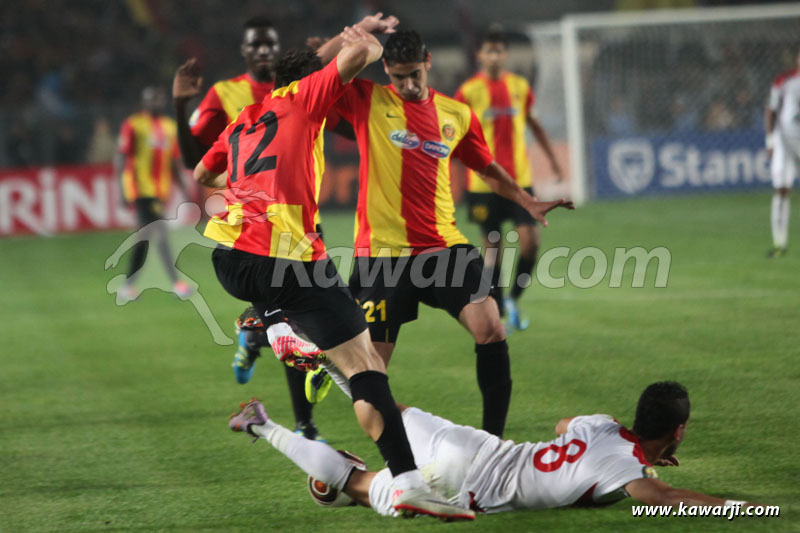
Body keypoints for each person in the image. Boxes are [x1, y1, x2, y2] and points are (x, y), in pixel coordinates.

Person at [193, 23, 472, 520]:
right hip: (286, 257)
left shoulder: (242, 122)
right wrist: (357, 35)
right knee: (366, 365)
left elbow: (201, 174)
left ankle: (275, 322)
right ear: (316, 81)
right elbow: (367, 51)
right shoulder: (304, 97)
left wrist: (243, 184)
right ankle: (407, 481)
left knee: (333, 340)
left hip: (228, 259)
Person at [331, 29, 573, 438]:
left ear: (429, 63)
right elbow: (315, 83)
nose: (408, 85)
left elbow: (485, 165)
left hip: (444, 246)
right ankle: (402, 465)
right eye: (400, 76)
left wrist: (524, 200)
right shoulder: (367, 99)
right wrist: (350, 50)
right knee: (371, 373)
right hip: (383, 255)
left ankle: (493, 443)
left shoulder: (456, 113)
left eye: (415, 75)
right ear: (387, 68)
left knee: (491, 327)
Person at [229, 381, 767, 518]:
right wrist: (738, 506)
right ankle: (261, 426)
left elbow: (563, 424)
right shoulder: (622, 465)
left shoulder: (602, 427)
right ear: (677, 431)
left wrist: (622, 448)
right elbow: (660, 497)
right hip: (469, 485)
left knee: (388, 410)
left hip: (474, 445)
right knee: (356, 485)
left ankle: (321, 356)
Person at [455, 28, 564, 331]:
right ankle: (500, 309)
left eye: (499, 51)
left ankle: (513, 298)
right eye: (489, 50)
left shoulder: (519, 87)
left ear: (505, 55)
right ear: (480, 55)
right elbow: (452, 132)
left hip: (519, 181)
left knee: (531, 242)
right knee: (492, 246)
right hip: (482, 183)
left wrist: (553, 160)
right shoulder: (468, 91)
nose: (495, 56)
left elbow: (535, 125)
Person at [114, 86, 191, 301]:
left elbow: (173, 162)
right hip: (140, 189)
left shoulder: (169, 127)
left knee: (146, 236)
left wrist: (183, 189)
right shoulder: (134, 125)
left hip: (161, 191)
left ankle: (128, 286)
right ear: (144, 102)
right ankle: (177, 283)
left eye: (158, 99)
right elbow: (121, 157)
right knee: (160, 234)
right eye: (151, 99)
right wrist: (121, 190)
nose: (155, 102)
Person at [765, 49, 800, 258]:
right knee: (782, 189)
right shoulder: (784, 81)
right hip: (784, 140)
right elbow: (770, 109)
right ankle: (779, 243)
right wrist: (769, 140)